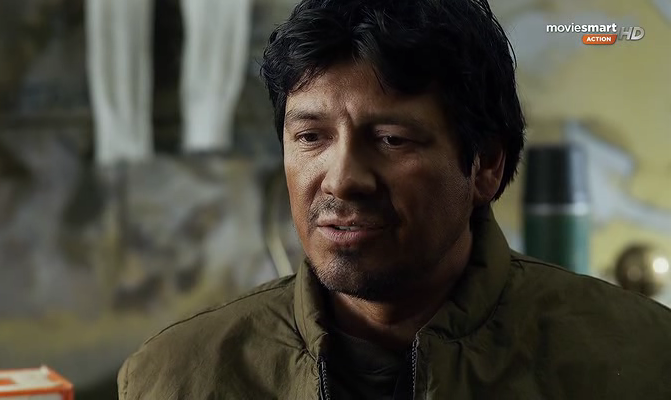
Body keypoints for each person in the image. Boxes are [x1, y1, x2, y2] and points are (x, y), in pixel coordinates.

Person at [117, 0, 671, 398]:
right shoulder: (175, 378)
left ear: (486, 165)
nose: (342, 180)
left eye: (391, 140)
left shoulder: (642, 361)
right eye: (310, 137)